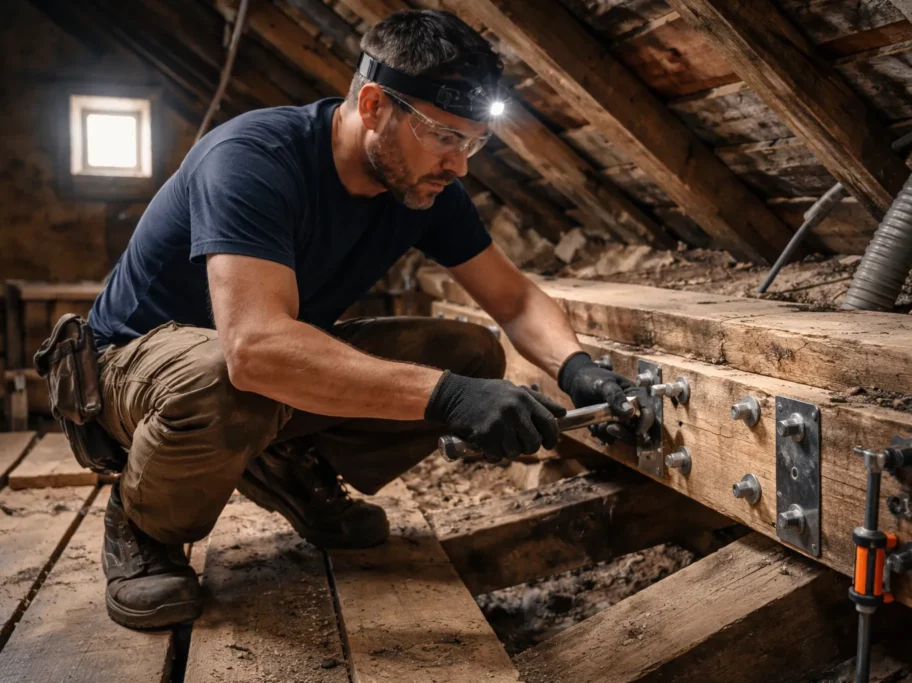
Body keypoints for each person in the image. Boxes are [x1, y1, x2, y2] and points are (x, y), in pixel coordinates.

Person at [87, 8, 652, 630]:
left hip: (241, 368)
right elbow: (253, 349)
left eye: (474, 142)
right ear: (375, 105)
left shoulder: (424, 186)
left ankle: (287, 462)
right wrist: (450, 399)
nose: (460, 163)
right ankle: (142, 527)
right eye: (445, 136)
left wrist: (578, 370)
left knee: (468, 354)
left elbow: (513, 299)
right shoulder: (253, 158)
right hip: (126, 374)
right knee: (232, 375)